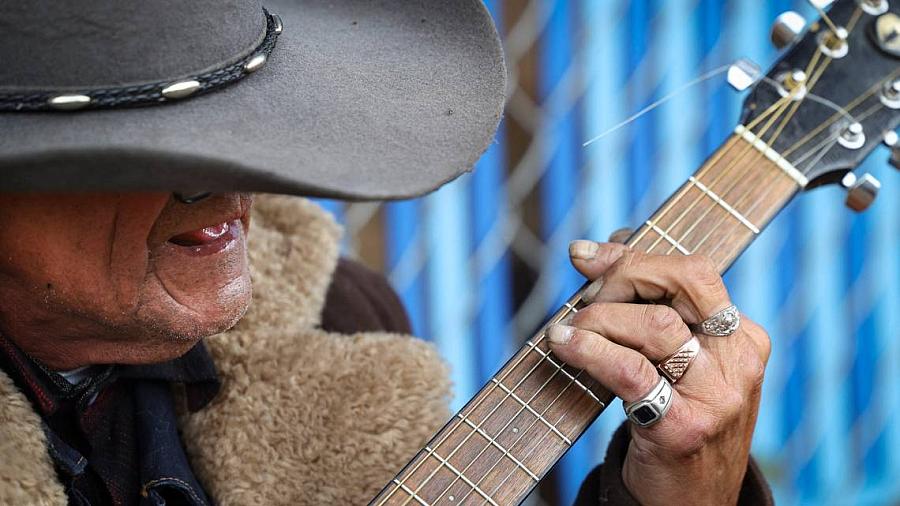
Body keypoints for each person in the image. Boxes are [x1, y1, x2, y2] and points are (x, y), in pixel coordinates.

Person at [0, 0, 773, 504]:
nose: (224, 178)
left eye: (233, 119)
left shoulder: (343, 319)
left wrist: (682, 491)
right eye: (137, 151)